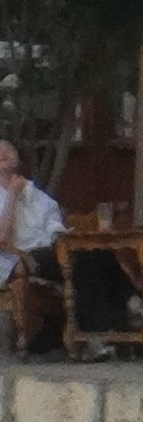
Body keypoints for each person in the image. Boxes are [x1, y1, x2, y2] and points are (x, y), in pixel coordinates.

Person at [0, 138, 61, 356]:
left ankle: (126, 309)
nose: (4, 153)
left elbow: (56, 229)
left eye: (8, 151)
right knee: (82, 263)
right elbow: (2, 239)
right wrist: (12, 199)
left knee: (96, 257)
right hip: (19, 258)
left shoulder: (38, 197)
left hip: (53, 252)